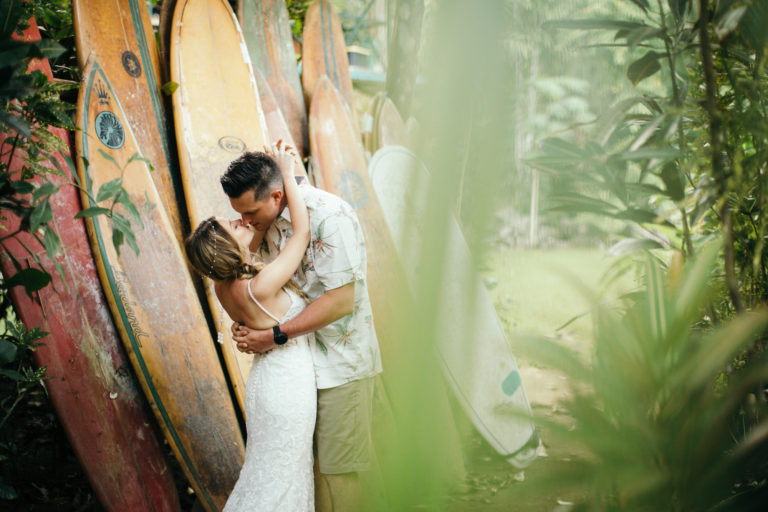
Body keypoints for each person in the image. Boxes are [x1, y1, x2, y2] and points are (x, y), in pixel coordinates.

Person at [221, 148, 383, 512]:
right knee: (313, 472)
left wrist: (274, 334)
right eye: (239, 214)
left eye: (249, 212)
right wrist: (252, 320)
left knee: (338, 472)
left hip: (340, 366)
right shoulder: (270, 222)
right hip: (298, 372)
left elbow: (342, 300)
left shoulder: (329, 216)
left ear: (277, 196)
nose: (245, 221)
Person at [185, 142, 315, 511]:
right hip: (287, 385)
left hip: (266, 385)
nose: (243, 222)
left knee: (267, 472)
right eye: (234, 226)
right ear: (229, 248)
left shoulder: (224, 285)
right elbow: (301, 234)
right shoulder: (260, 286)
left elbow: (247, 245)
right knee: (283, 477)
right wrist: (287, 173)